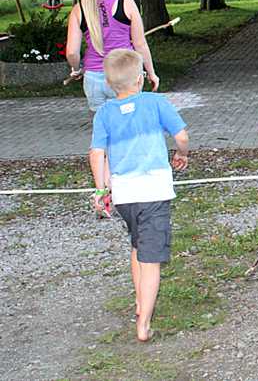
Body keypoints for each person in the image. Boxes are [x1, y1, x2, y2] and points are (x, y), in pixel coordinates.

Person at [87, 49, 189, 342]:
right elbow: (181, 135)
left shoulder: (104, 113)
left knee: (137, 244)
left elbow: (97, 153)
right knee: (151, 259)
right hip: (153, 191)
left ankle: (139, 300)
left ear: (109, 83)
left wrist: (101, 189)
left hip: (124, 194)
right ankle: (144, 323)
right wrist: (182, 153)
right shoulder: (156, 103)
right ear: (141, 78)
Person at [66, 0, 159, 112]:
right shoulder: (126, 3)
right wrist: (151, 73)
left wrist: (76, 69)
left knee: (103, 125)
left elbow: (72, 52)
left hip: (93, 78)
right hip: (126, 75)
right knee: (128, 124)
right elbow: (140, 44)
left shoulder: (79, 9)